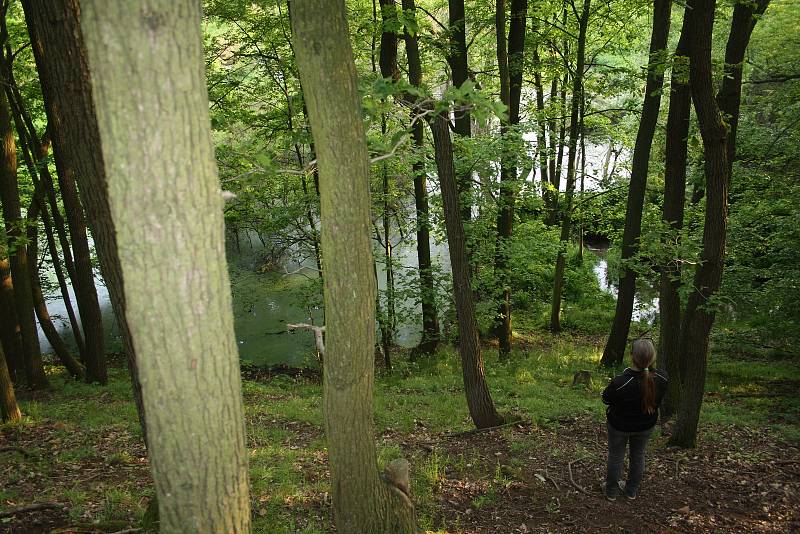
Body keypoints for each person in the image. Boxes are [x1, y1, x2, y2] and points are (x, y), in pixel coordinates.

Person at [601, 339, 668, 501]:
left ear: (631, 356)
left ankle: (611, 491)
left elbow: (606, 399)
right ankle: (631, 491)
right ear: (653, 357)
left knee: (616, 456)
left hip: (619, 426)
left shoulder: (621, 382)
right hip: (645, 426)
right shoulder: (662, 377)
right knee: (638, 455)